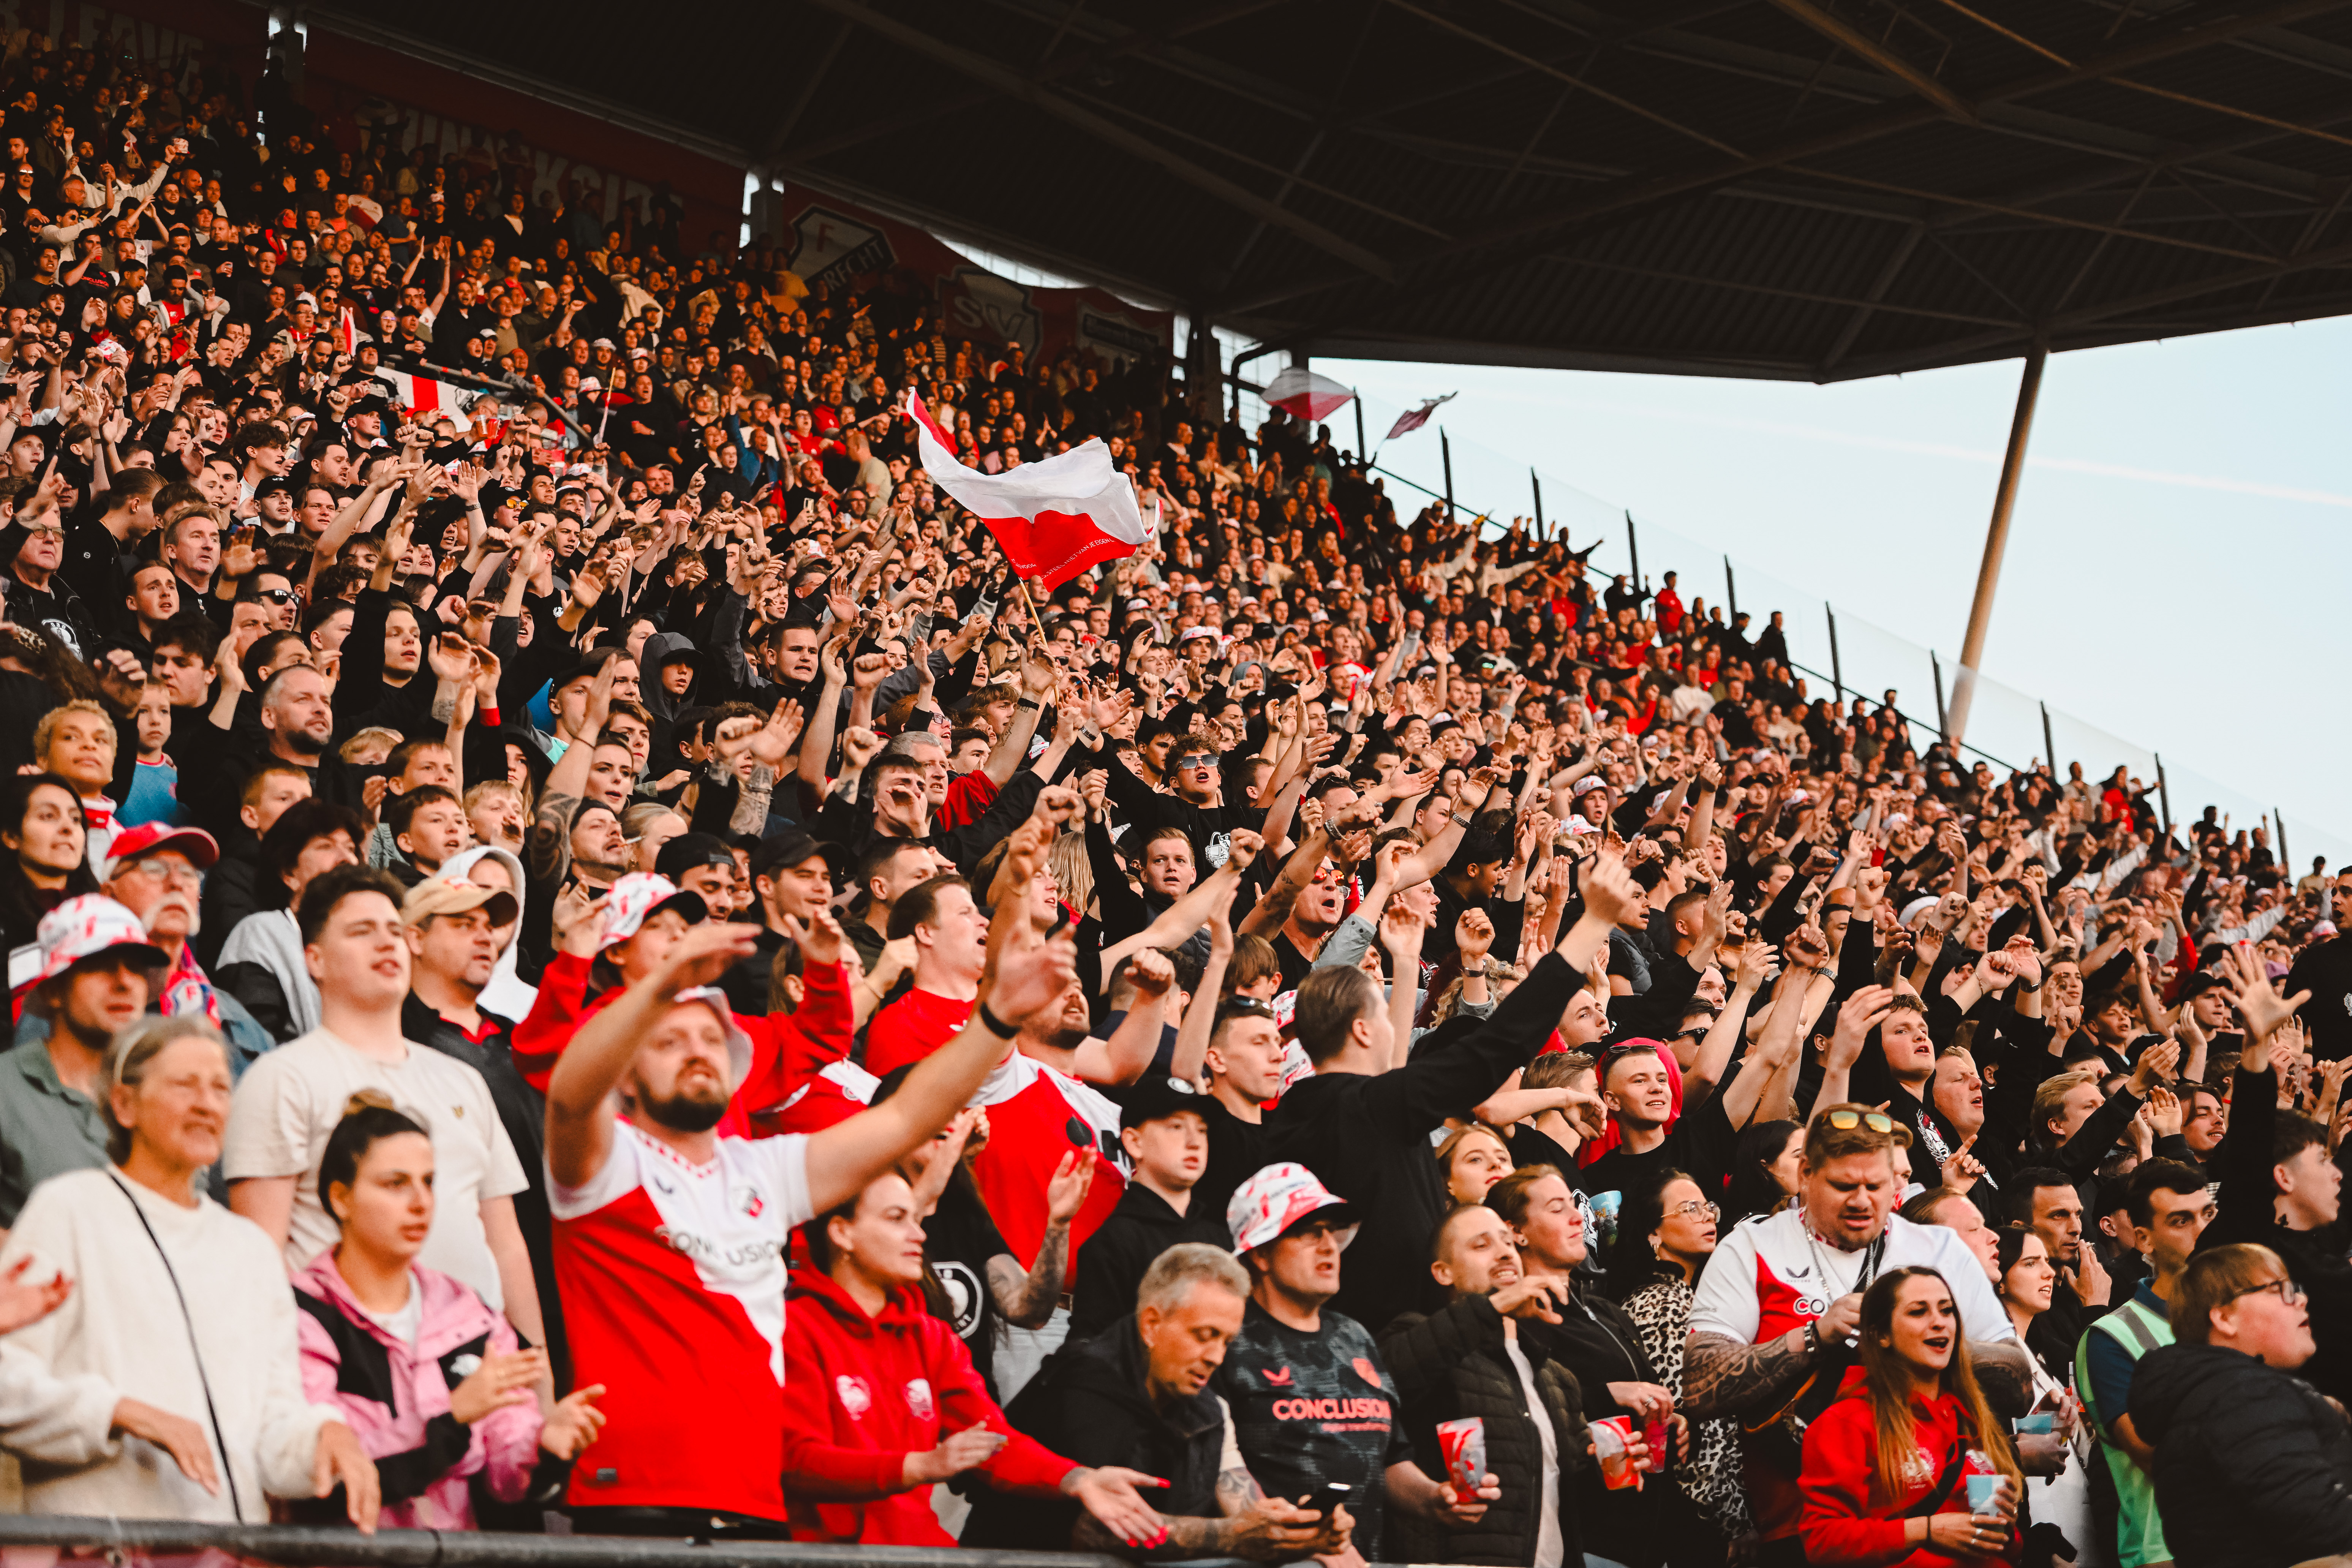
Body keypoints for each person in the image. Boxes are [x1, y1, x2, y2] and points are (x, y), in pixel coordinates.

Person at [539, 809, 1092, 1533]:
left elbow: (902, 1118)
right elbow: (572, 1089)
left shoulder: (760, 1171)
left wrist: (995, 1018)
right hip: (635, 1493)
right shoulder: (600, 1164)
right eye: (671, 1039)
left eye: (712, 1036)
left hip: (759, 1499)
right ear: (628, 1070)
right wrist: (665, 979)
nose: (701, 1047)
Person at [0, 1016, 380, 1524]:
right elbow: (7, 1384)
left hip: (227, 1550)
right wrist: (117, 1413)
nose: (208, 1103)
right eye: (185, 1085)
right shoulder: (68, 1210)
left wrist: (324, 1437)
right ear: (124, 1104)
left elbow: (273, 1423)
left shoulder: (249, 1248)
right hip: (101, 1550)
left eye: (222, 1088)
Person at [1266, 850, 1634, 1336]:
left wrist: (1403, 957)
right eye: (1382, 1016)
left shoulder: (1299, 1116)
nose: (1394, 1028)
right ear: (1360, 1031)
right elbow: (1499, 1044)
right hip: (1401, 1340)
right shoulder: (1374, 1109)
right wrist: (1593, 924)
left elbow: (1388, 1074)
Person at [1685, 1105, 2031, 1560]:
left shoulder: (1938, 1247)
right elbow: (1700, 1386)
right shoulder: (1751, 1246)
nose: (1862, 1201)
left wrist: (1910, 1339)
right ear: (1806, 1174)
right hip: (1801, 1534)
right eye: (1844, 1186)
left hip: (1946, 1527)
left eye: (1876, 1186)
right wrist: (1814, 1338)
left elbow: (2017, 1382)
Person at [222, 865, 541, 1350]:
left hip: (486, 1365)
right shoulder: (281, 1077)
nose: (386, 942)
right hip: (357, 1375)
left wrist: (537, 1374)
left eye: (395, 929)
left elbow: (507, 1246)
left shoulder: (464, 1079)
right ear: (316, 960)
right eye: (362, 931)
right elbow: (260, 1255)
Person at [777, 1168, 1172, 1546]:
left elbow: (993, 1444)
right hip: (817, 1553)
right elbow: (796, 1461)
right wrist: (919, 1466)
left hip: (919, 1551)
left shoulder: (930, 1337)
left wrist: (1077, 1479)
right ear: (842, 1233)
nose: (918, 1234)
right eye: (897, 1218)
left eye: (917, 1219)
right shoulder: (794, 1328)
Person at [292, 1095, 605, 1529]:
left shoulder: (469, 1312)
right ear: (340, 1199)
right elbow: (320, 1470)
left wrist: (542, 1444)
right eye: (395, 1183)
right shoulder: (302, 1311)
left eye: (428, 1182)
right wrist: (449, 1417)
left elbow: (504, 1469)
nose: (421, 1202)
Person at [970, 1243, 1355, 1561]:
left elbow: (1241, 1502)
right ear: (1153, 1325)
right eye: (1204, 1335)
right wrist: (1232, 1536)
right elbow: (1101, 1532)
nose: (1216, 1356)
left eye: (1225, 1341)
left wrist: (1295, 1530)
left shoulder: (1207, 1407)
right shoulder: (1081, 1387)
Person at [1213, 1161, 1500, 1564]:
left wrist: (1436, 1499)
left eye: (1332, 1233)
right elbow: (1215, 1467)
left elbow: (1390, 1460)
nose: (1330, 1246)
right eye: (1310, 1234)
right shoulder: (1224, 1339)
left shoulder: (1355, 1336)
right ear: (1260, 1253)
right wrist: (1303, 1544)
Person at [1378, 1201, 1609, 1568]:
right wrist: (1493, 1307)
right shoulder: (1415, 1335)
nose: (1504, 1253)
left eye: (1508, 1243)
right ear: (1443, 1273)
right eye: (1481, 1245)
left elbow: (1560, 1476)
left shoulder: (1553, 1374)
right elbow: (1388, 1377)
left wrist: (1619, 1450)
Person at [1489, 1162, 1683, 1568]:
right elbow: (1513, 1412)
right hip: (1583, 1541)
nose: (1579, 1217)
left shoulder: (1608, 1312)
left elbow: (1651, 1403)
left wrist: (1678, 1428)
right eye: (1558, 1208)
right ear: (1516, 1232)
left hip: (1652, 1539)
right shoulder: (1517, 1319)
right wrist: (1607, 1396)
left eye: (1575, 1207)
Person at [2129, 1244, 2352, 1568]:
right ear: (2224, 1318)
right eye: (2280, 1290)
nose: (2301, 1299)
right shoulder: (2243, 1396)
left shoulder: (2219, 1396)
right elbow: (2316, 1519)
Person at [1797, 1266, 2024, 1566]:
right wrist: (1925, 1531)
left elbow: (2006, 1548)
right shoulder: (1846, 1422)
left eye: (1947, 1311)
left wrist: (2006, 1527)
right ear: (1881, 1335)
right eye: (1919, 1312)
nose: (1939, 1323)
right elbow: (1823, 1543)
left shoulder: (1970, 1416)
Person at [1608, 1168, 1752, 1561]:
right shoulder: (1661, 1305)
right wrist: (1733, 1521)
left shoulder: (1687, 1296)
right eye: (1690, 1209)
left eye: (1708, 1206)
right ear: (1653, 1234)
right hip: (1694, 1523)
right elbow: (1692, 1422)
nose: (1707, 1216)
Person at [2077, 1158, 2214, 1568]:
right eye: (2180, 1220)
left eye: (2208, 1214)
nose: (2203, 1231)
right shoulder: (2111, 1339)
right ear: (2144, 1240)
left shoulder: (2251, 1314)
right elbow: (2154, 1456)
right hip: (2168, 1552)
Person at [0, 895, 169, 1228]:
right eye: (100, 965)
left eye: (136, 967)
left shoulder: (165, 1092)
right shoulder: (6, 1091)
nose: (124, 982)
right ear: (53, 991)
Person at [1070, 1073, 1227, 1342]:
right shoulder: (1111, 1244)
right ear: (1134, 1142)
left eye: (1202, 1130)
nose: (1195, 1142)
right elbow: (1094, 1353)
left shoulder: (1221, 1237)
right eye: (1176, 1127)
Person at [1990, 1225, 2090, 1565]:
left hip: (2065, 1521)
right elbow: (1980, 1459)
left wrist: (2048, 1422)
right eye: (2030, 1263)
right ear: (1998, 1276)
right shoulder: (1990, 1358)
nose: (2049, 1272)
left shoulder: (2030, 1350)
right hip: (2030, 1532)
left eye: (2046, 1262)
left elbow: (2017, 1439)